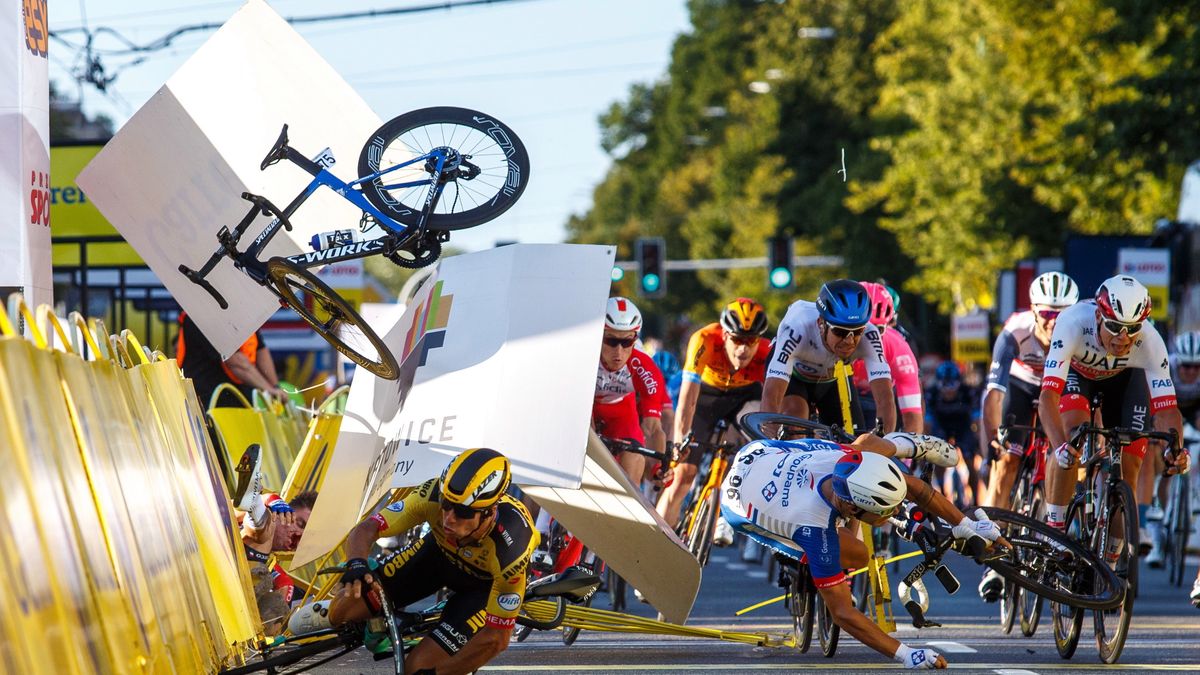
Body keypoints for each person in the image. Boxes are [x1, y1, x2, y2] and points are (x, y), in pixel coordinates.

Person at [720, 429, 997, 669]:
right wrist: (906, 654)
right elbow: (842, 613)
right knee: (858, 554)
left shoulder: (846, 461)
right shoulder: (815, 532)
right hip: (739, 504)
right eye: (888, 511)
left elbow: (916, 489)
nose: (896, 512)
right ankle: (807, 564)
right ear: (853, 508)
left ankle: (907, 444)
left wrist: (965, 524)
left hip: (760, 453)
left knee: (863, 446)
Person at [326, 448, 537, 675]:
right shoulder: (431, 493)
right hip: (436, 557)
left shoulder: (512, 549)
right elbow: (369, 527)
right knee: (340, 612)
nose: (448, 518)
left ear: (489, 512)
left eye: (462, 512)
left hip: (482, 589)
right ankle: (361, 617)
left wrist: (438, 674)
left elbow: (497, 639)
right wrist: (357, 563)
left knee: (416, 669)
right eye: (446, 504)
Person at [1038, 276, 1190, 567]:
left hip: (1124, 382)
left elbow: (1167, 408)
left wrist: (1176, 449)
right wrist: (1059, 447)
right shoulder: (1071, 324)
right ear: (1099, 315)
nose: (1123, 337)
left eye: (1132, 329)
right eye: (1115, 327)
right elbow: (1047, 397)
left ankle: (1109, 561)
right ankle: (1055, 530)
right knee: (1074, 435)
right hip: (1078, 377)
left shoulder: (1150, 341)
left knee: (1130, 466)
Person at [976, 271, 1078, 599]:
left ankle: (1054, 527)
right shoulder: (1015, 331)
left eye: (1062, 314)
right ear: (1034, 311)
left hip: (1058, 389)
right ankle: (993, 555)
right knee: (1007, 462)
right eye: (1048, 313)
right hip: (1020, 387)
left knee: (1062, 452)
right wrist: (990, 441)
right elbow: (993, 393)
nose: (1054, 321)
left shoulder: (1079, 335)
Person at [656, 298, 770, 541]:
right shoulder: (704, 340)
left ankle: (725, 512)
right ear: (725, 335)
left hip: (744, 397)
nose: (743, 349)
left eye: (751, 341)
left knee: (745, 442)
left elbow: (773, 404)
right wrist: (679, 440)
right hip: (706, 396)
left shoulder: (767, 353)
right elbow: (687, 397)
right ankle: (656, 540)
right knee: (682, 477)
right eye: (737, 340)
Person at [763, 279, 896, 435]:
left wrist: (883, 440)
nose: (849, 340)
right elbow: (771, 395)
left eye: (857, 332)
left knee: (851, 438)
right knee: (795, 421)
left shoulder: (870, 335)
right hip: (794, 377)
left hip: (831, 379)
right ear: (821, 323)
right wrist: (768, 441)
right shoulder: (797, 327)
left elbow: (885, 398)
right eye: (840, 332)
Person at [593, 297, 669, 483]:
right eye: (611, 341)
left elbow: (652, 428)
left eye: (626, 343)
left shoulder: (644, 366)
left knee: (635, 458)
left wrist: (658, 467)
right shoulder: (585, 358)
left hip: (622, 413)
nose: (618, 352)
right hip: (587, 411)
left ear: (635, 339)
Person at [853, 282, 924, 433]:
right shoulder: (831, 339)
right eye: (862, 328)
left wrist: (910, 453)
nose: (869, 338)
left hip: (876, 399)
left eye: (877, 330)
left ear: (890, 324)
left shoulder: (899, 347)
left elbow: (912, 414)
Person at [176, 311, 288, 406]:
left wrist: (275, 387)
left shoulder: (242, 314)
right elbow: (235, 362)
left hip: (238, 401)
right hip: (208, 404)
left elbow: (261, 350)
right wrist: (269, 390)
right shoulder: (201, 316)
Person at [925, 362, 980, 506]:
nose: (949, 392)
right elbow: (927, 423)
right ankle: (942, 491)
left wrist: (977, 439)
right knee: (938, 457)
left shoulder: (968, 392)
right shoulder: (931, 394)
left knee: (969, 459)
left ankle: (976, 498)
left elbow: (977, 419)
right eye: (945, 387)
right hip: (941, 424)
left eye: (952, 387)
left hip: (963, 425)